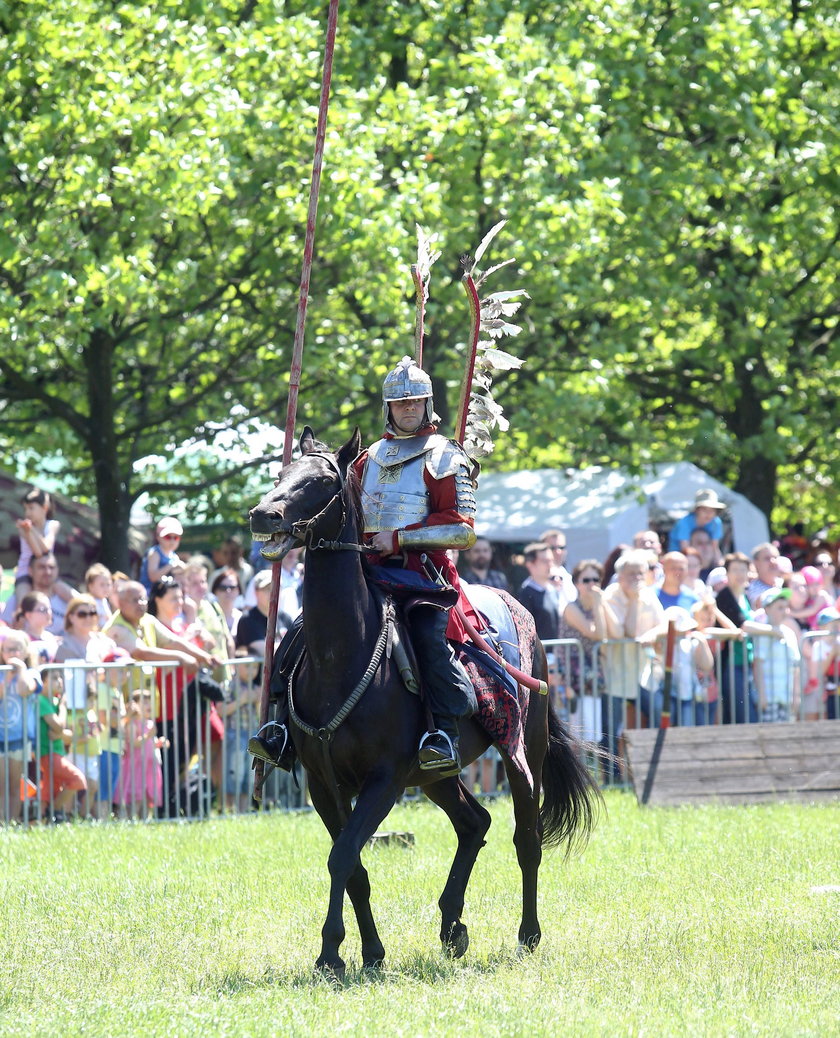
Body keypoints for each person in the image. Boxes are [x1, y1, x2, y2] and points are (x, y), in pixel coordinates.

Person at [251, 355, 479, 776]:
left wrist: (403, 537)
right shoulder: (366, 459)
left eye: (415, 401)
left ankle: (442, 734)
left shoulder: (445, 457)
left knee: (428, 637)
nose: (408, 408)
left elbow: (463, 531)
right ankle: (280, 728)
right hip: (367, 571)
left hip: (421, 577)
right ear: (387, 408)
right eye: (400, 402)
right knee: (304, 630)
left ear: (427, 405)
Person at [54, 594, 123, 816]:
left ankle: (90, 816)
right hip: (70, 713)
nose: (88, 618)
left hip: (97, 714)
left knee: (95, 771)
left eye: (92, 613)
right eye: (82, 613)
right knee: (72, 771)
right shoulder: (62, 645)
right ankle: (62, 816)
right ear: (70, 617)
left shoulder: (104, 643)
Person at [601, 550, 665, 779]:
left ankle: (656, 768)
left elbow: (663, 624)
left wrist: (652, 634)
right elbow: (624, 631)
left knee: (658, 712)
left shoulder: (648, 594)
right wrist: (634, 601)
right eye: (631, 574)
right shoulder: (611, 596)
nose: (638, 578)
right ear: (620, 576)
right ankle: (611, 777)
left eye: (641, 573)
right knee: (611, 727)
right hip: (616, 673)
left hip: (642, 672)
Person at [556, 560, 616, 751]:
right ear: (576, 583)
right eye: (586, 580)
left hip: (592, 676)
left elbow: (616, 630)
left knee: (591, 734)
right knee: (576, 734)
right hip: (572, 677)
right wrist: (600, 605)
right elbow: (597, 634)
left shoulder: (599, 605)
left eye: (595, 579)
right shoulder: (571, 607)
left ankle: (590, 777)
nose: (591, 584)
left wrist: (601, 605)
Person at [637, 606, 715, 728]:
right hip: (662, 691)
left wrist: (702, 642)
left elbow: (707, 665)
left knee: (686, 727)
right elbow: (647, 639)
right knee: (662, 722)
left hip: (686, 694)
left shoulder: (689, 642)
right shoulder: (660, 641)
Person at [0, 630, 40, 824]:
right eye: (8, 649)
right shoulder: (1, 674)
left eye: (17, 649)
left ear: (25, 651)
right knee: (1, 785)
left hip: (19, 738)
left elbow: (25, 690)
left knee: (15, 785)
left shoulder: (32, 673)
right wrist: (7, 677)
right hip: (1, 738)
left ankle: (12, 821)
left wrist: (21, 670)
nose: (13, 653)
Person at [715, 552, 758, 724]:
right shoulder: (724, 597)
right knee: (743, 715)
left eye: (743, 569)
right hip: (730, 664)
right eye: (735, 570)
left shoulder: (745, 597)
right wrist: (775, 631)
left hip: (746, 662)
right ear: (727, 573)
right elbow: (743, 626)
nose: (740, 574)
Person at [750, 588, 801, 722]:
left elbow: (795, 667)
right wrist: (762, 695)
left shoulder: (790, 633)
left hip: (787, 698)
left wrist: (796, 695)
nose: (785, 611)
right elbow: (758, 665)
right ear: (767, 609)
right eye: (779, 608)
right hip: (770, 698)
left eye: (786, 607)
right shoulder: (762, 635)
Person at [115, 691, 168, 820]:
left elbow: (149, 743)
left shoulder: (149, 723)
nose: (148, 705)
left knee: (147, 797)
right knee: (135, 797)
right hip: (136, 767)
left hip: (149, 767)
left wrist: (158, 742)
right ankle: (129, 820)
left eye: (149, 701)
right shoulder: (132, 724)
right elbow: (134, 743)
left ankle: (144, 822)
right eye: (144, 702)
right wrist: (148, 736)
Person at [14, 488, 60, 596]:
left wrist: (31, 529)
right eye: (25, 509)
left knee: (70, 595)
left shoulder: (53, 525)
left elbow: (46, 548)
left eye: (31, 508)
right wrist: (28, 530)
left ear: (44, 508)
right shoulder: (23, 529)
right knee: (23, 600)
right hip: (25, 573)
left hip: (47, 574)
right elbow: (38, 553)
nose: (27, 513)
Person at [517, 542, 562, 643]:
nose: (550, 565)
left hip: (556, 652)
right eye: (544, 561)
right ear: (530, 565)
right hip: (539, 654)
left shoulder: (554, 590)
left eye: (551, 560)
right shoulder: (526, 593)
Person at [667, 488, 726, 555]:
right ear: (697, 510)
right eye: (704, 509)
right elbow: (685, 550)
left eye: (712, 510)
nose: (708, 513)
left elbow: (714, 547)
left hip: (704, 558)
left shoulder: (716, 522)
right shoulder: (684, 523)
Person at [139, 517, 185, 594]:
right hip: (150, 594)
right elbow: (153, 577)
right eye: (168, 537)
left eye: (176, 537)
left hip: (166, 594)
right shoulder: (154, 553)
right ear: (158, 537)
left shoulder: (174, 556)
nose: (172, 541)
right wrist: (171, 566)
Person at [13, 592, 61, 664]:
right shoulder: (20, 639)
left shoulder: (50, 637)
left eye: (49, 608)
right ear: (28, 615)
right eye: (42, 610)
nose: (48, 613)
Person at [539, 529, 576, 607]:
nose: (558, 551)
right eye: (552, 548)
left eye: (561, 547)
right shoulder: (538, 578)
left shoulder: (567, 576)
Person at [746, 542, 781, 609]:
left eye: (775, 557)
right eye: (767, 558)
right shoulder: (752, 589)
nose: (773, 561)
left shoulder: (785, 583)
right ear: (756, 563)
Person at [211, 569, 243, 636]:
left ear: (238, 590)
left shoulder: (242, 618)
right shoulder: (208, 615)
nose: (228, 591)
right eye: (223, 588)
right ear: (215, 591)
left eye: (232, 587)